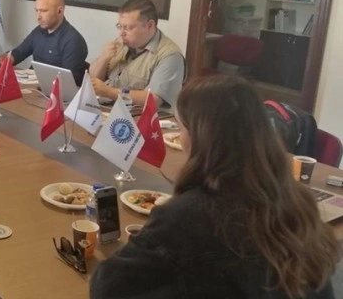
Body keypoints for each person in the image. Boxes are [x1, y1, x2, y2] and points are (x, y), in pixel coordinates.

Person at [90, 75, 339, 299]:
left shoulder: (190, 215)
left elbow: (106, 287)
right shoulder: (298, 200)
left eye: (182, 127)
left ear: (200, 136)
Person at [88, 0, 184, 107]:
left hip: (139, 115)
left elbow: (154, 99)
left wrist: (109, 92)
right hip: (106, 108)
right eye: (120, 26)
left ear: (150, 25)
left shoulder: (169, 56)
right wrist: (103, 59)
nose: (121, 33)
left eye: (128, 28)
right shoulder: (121, 42)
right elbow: (94, 79)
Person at [3, 0, 88, 86]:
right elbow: (19, 53)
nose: (38, 17)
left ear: (59, 11)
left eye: (43, 11)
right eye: (37, 11)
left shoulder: (73, 40)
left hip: (52, 91)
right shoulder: (39, 31)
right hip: (32, 85)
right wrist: (2, 61)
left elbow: (67, 82)